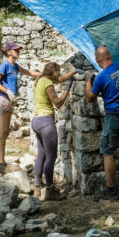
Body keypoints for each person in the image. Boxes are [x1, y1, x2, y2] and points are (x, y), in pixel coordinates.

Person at [84, 46, 119, 200]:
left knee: (108, 154)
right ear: (110, 56)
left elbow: (89, 97)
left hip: (114, 117)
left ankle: (111, 190)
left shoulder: (101, 77)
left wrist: (88, 80)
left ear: (97, 60)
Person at [32, 62, 83, 201]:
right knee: (51, 156)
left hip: (36, 122)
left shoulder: (40, 80)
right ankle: (50, 190)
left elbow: (60, 79)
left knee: (41, 154)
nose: (59, 74)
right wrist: (67, 88)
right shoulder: (48, 83)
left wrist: (74, 72)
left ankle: (37, 184)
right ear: (53, 71)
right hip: (46, 123)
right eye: (58, 71)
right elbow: (58, 103)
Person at [0, 42, 41, 174]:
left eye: (18, 49)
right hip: (3, 99)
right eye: (15, 49)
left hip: (7, 100)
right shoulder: (5, 65)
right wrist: (7, 91)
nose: (18, 51)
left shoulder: (16, 67)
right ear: (9, 52)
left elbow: (29, 72)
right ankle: (0, 163)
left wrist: (43, 74)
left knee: (3, 132)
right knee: (4, 132)